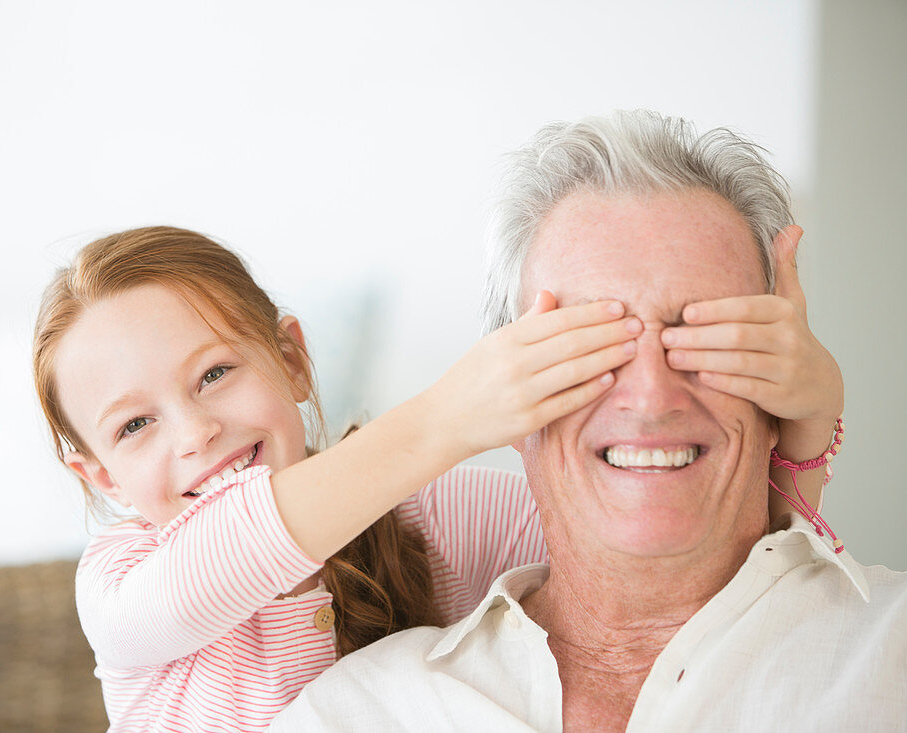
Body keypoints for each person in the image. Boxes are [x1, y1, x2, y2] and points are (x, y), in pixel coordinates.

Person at [271, 110, 906, 731]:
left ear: (778, 394)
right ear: (507, 403)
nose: (652, 397)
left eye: (705, 337)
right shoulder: (358, 714)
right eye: (589, 345)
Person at [32, 225, 642, 732]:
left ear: (292, 361)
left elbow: (628, 544)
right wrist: (449, 416)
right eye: (135, 425)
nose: (194, 434)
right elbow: (222, 555)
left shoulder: (430, 513)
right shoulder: (120, 584)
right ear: (104, 478)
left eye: (214, 374)